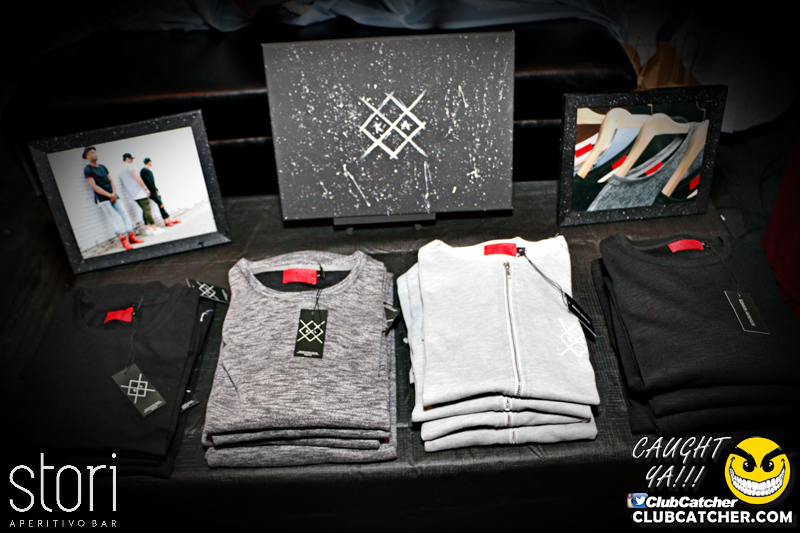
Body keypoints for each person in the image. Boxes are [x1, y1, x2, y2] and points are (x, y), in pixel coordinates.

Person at [82, 147, 143, 251]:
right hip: (102, 198)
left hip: (113, 195)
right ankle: (123, 240)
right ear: (87, 156)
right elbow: (93, 186)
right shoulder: (88, 169)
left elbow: (111, 180)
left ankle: (131, 236)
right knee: (111, 218)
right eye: (92, 153)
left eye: (95, 152)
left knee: (124, 213)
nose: (95, 154)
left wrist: (114, 193)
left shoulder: (103, 167)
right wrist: (109, 195)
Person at [117, 153, 164, 236]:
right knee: (148, 209)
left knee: (144, 210)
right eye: (131, 159)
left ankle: (147, 229)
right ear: (127, 158)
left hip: (132, 194)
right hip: (139, 192)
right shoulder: (130, 166)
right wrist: (145, 188)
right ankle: (154, 229)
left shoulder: (121, 171)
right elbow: (137, 177)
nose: (132, 160)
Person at [140, 158, 180, 226]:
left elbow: (152, 183)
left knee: (161, 205)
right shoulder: (143, 171)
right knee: (161, 204)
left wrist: (156, 190)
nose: (151, 163)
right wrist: (154, 191)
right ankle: (168, 220)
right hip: (151, 192)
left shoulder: (149, 171)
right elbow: (148, 182)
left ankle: (168, 220)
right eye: (150, 162)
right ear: (149, 162)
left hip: (154, 191)